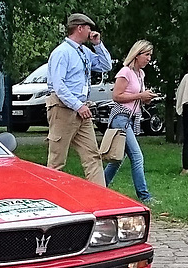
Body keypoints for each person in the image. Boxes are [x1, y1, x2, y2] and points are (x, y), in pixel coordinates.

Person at [45, 13, 112, 186]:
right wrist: (77, 106)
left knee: (92, 156)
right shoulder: (62, 53)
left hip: (82, 109)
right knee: (56, 160)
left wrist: (98, 45)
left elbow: (106, 66)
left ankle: (100, 198)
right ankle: (52, 199)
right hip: (62, 109)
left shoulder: (84, 52)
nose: (91, 31)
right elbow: (59, 87)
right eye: (89, 28)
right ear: (80, 28)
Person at [103, 40, 158, 204]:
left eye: (150, 55)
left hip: (132, 118)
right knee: (137, 156)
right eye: (147, 55)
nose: (149, 59)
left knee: (117, 158)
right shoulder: (125, 72)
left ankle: (99, 186)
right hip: (121, 117)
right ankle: (144, 195)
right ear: (137, 54)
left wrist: (146, 98)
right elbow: (116, 96)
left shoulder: (141, 74)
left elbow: (137, 97)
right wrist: (140, 96)